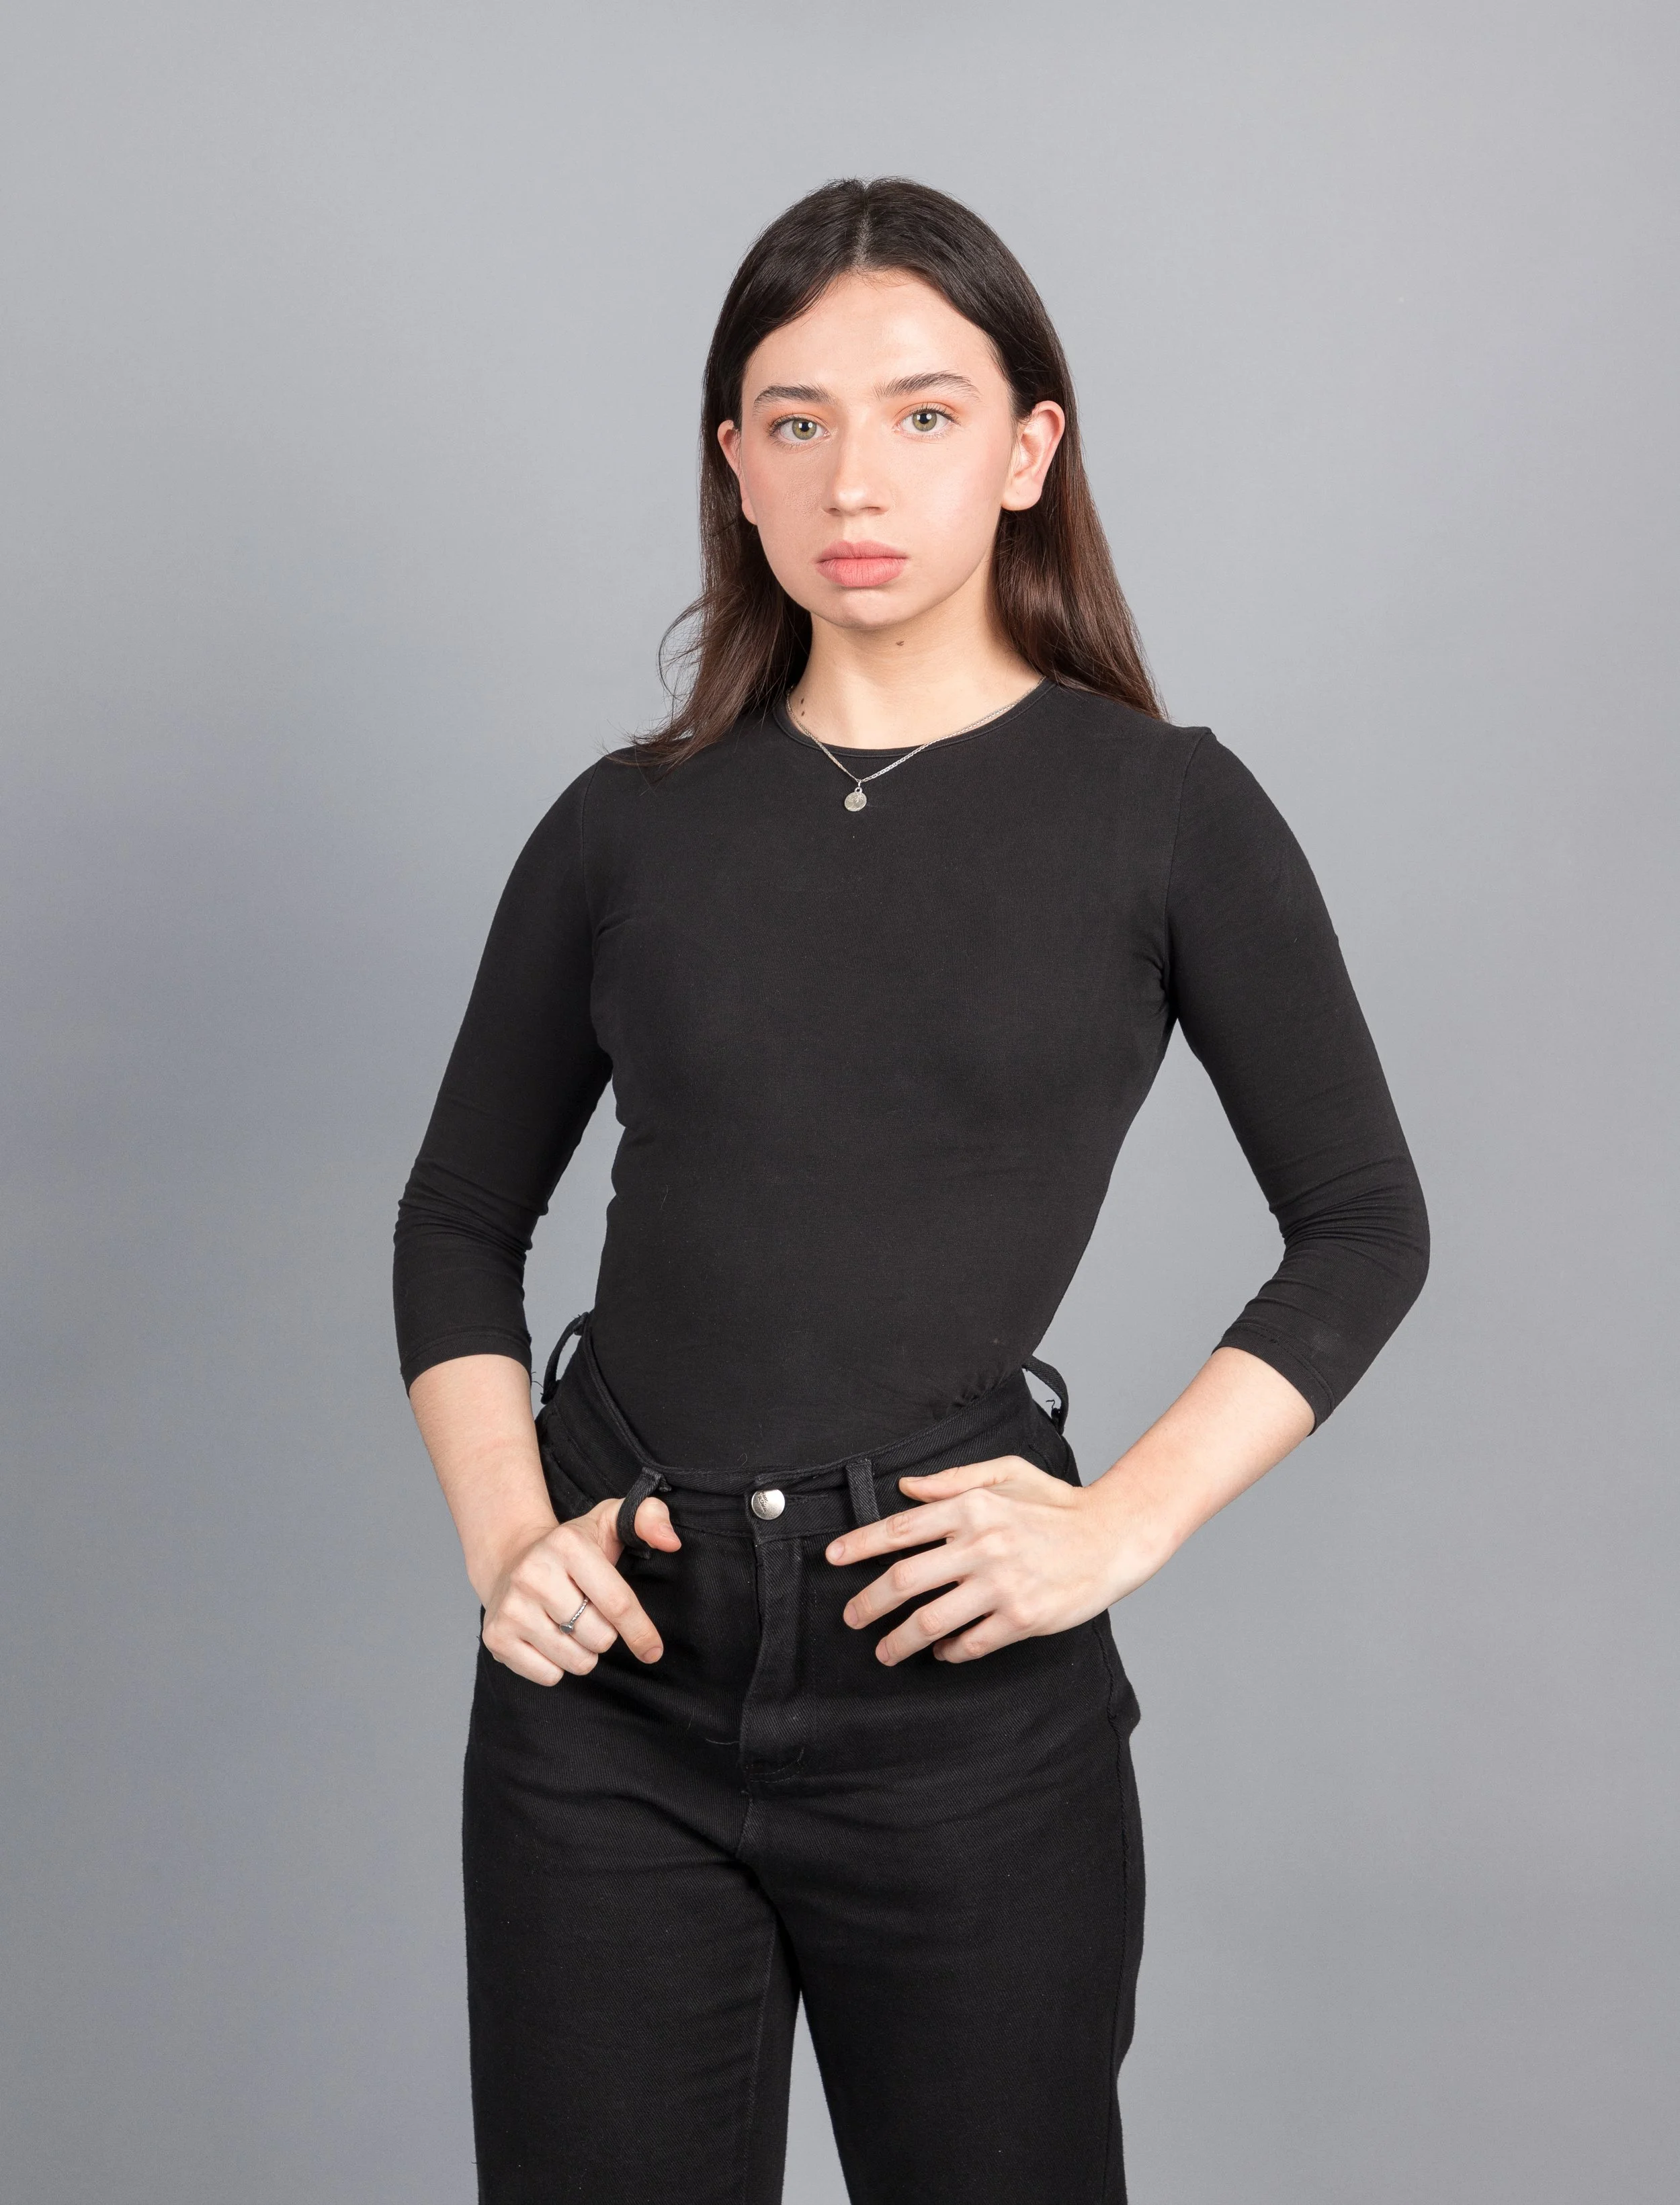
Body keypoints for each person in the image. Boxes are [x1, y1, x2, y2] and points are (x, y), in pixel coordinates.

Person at [393, 175, 1429, 2205]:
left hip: (959, 1705)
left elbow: (1363, 1222)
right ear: (735, 461)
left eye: (923, 413)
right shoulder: (623, 827)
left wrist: (1118, 1525)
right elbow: (455, 1221)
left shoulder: (1166, 813)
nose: (852, 477)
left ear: (1029, 450)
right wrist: (508, 1539)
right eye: (795, 421)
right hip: (613, 1690)